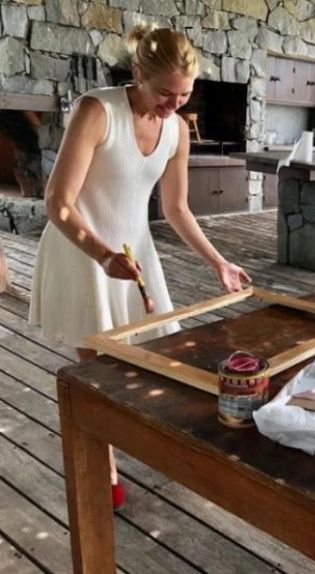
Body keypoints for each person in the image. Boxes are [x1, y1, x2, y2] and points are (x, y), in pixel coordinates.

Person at [30, 25, 251, 511]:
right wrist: (103, 254)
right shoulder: (97, 110)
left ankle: (149, 443)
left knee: (160, 355)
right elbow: (58, 202)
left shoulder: (175, 128)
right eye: (164, 93)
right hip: (84, 252)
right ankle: (102, 466)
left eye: (185, 95)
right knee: (102, 371)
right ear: (137, 74)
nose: (174, 105)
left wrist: (219, 261)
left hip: (137, 252)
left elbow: (177, 209)